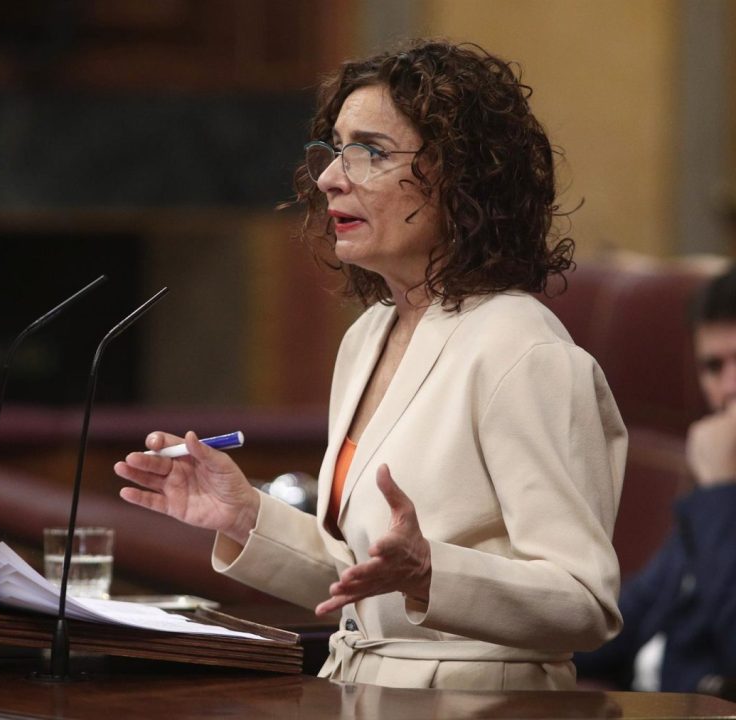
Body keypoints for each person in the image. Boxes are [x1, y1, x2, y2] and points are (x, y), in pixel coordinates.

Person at [114, 39, 627, 691]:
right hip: (363, 691)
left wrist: (432, 573)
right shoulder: (369, 335)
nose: (331, 177)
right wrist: (244, 515)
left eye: (372, 152)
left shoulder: (524, 353)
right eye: (335, 149)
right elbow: (363, 585)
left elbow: (584, 601)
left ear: (461, 176)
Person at [575, 267, 736, 695]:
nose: (729, 388)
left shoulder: (719, 482)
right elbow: (630, 616)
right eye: (713, 366)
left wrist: (720, 490)